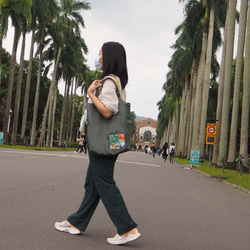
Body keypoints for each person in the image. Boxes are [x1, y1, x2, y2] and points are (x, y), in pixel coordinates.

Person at [55, 42, 141, 245]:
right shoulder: (116, 81)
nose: (99, 57)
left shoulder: (110, 82)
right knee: (92, 184)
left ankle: (127, 228)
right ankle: (76, 222)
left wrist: (91, 93)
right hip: (106, 140)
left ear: (109, 57)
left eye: (101, 53)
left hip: (101, 140)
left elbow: (107, 111)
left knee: (104, 183)